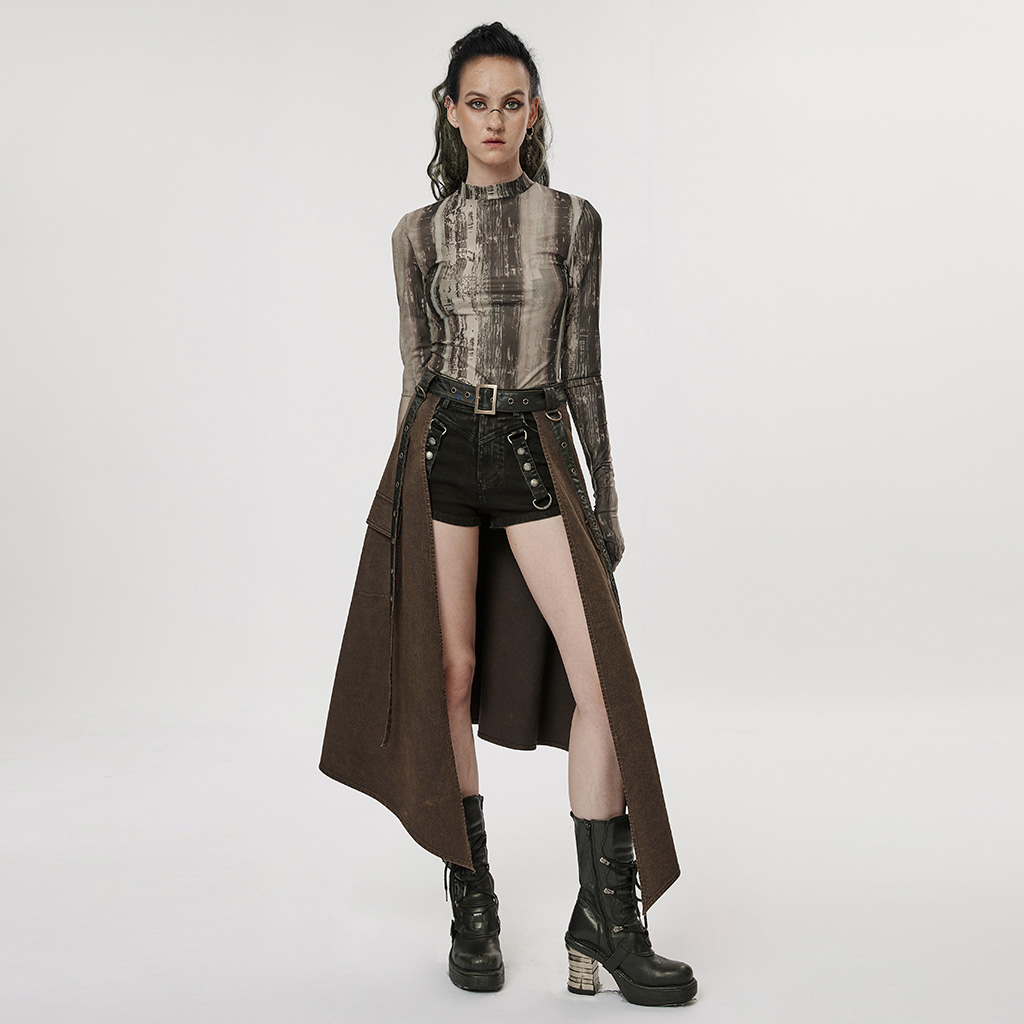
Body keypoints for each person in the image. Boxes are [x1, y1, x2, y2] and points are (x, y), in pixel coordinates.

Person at [319, 22, 698, 1007]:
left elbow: (582, 373)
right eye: (477, 102)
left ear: (534, 112)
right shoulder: (417, 234)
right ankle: (473, 907)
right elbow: (413, 371)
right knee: (448, 675)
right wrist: (390, 511)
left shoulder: (572, 221)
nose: (495, 119)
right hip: (441, 447)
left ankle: (607, 919)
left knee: (599, 678)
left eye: (512, 101)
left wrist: (605, 503)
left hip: (532, 447)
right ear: (451, 112)